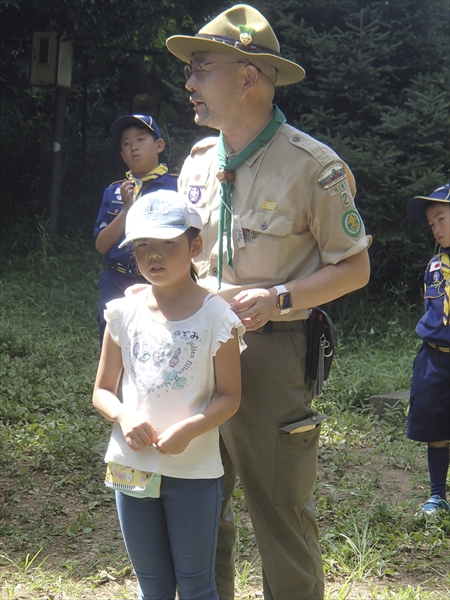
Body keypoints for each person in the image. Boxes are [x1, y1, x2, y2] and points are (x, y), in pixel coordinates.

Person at [165, 5, 371, 599]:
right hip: (196, 354)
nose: (189, 83)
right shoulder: (198, 163)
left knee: (282, 515)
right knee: (199, 507)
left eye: (201, 68)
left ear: (247, 76)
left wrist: (279, 296)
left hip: (272, 356)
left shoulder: (315, 167)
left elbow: (355, 266)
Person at [93, 189, 245, 599]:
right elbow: (103, 391)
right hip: (131, 466)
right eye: (142, 246)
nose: (153, 256)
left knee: (197, 585)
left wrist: (190, 430)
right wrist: (124, 418)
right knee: (153, 585)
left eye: (167, 244)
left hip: (194, 471)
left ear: (195, 246)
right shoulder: (123, 312)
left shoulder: (218, 317)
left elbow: (230, 397)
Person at [93, 114, 178, 343]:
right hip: (116, 280)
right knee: (113, 338)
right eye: (127, 144)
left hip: (159, 278)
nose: (134, 148)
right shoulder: (114, 192)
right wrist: (126, 209)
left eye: (140, 140)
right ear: (122, 155)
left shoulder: (177, 186)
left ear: (159, 145)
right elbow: (101, 245)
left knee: (157, 340)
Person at [407, 184, 450, 516]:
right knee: (436, 426)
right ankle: (437, 495)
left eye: (441, 218)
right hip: (435, 356)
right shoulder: (435, 264)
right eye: (431, 224)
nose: (436, 228)